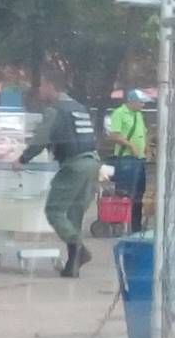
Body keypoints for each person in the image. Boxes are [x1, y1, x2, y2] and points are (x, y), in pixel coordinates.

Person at [12, 69, 100, 277]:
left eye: (42, 86)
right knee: (74, 214)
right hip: (93, 161)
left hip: (74, 164)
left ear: (51, 86)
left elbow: (41, 139)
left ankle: (79, 249)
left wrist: (22, 159)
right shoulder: (79, 108)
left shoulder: (55, 110)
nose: (40, 91)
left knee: (54, 211)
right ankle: (73, 265)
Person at [108, 89, 150, 233]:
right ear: (131, 101)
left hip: (139, 159)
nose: (143, 105)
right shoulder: (119, 113)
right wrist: (130, 145)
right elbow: (114, 135)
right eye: (141, 102)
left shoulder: (139, 115)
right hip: (126, 159)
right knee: (124, 192)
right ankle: (119, 224)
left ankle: (136, 226)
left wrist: (145, 148)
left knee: (139, 193)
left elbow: (143, 133)